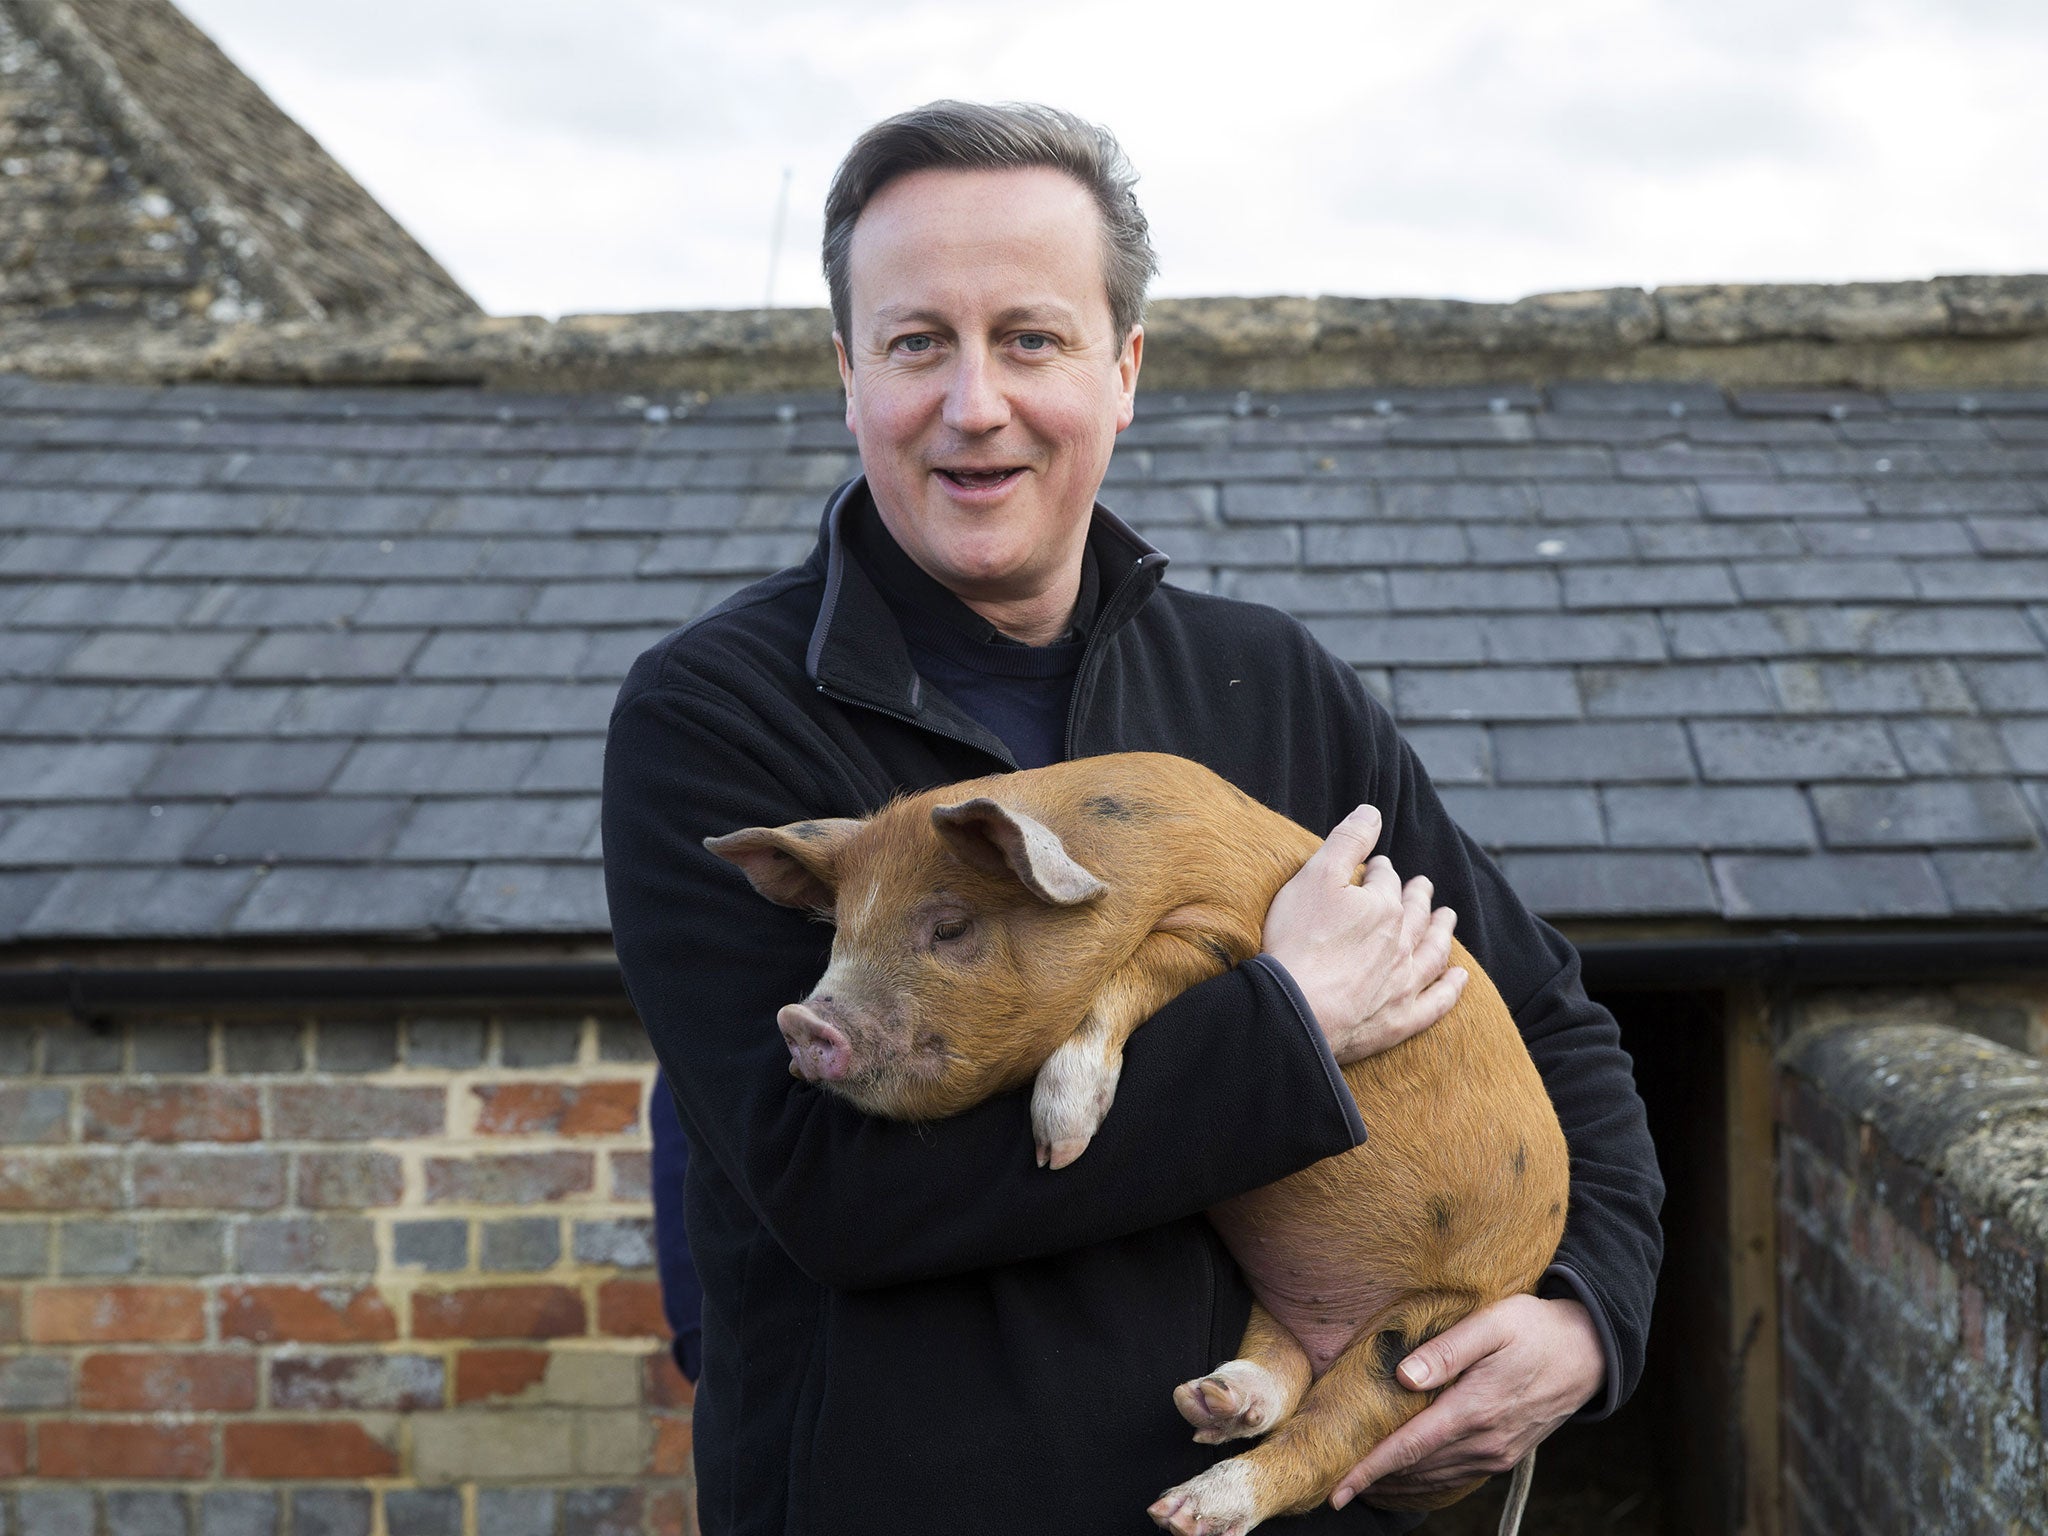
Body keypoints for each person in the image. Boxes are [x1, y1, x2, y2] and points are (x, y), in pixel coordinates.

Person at [603, 101, 1663, 1536]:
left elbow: (1548, 1021)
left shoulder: (1272, 687)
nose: (974, 402)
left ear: (1124, 373)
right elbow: (834, 1190)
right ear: (850, 377)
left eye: (1030, 339)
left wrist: (1589, 1314)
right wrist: (1286, 1025)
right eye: (918, 343)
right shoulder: (716, 721)